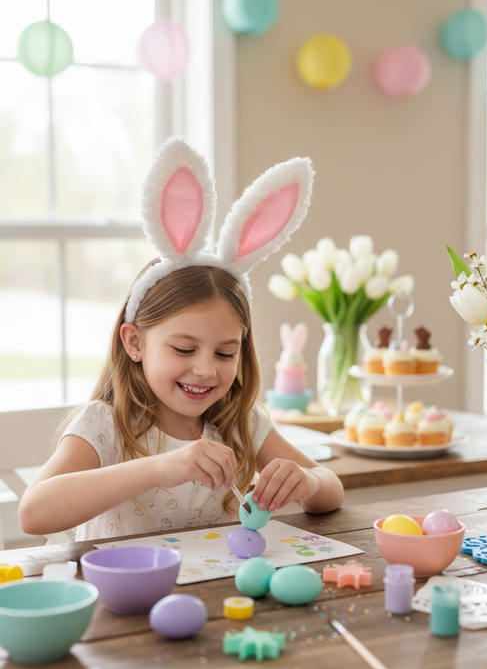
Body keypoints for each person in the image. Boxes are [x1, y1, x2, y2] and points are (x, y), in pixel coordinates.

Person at [19, 138, 344, 542]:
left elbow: (331, 489)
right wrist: (159, 467)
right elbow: (33, 513)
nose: (206, 369)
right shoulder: (105, 425)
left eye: (226, 352)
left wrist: (308, 484)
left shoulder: (240, 425)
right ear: (134, 342)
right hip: (125, 602)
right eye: (184, 349)